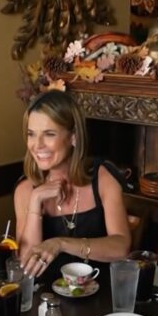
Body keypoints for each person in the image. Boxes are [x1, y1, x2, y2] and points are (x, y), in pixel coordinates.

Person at [14, 91, 130, 283]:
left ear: (73, 137)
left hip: (100, 296)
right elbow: (27, 265)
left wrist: (61, 243)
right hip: (46, 301)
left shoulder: (103, 178)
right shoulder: (25, 190)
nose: (37, 145)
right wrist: (35, 203)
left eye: (49, 134)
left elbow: (121, 247)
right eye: (31, 134)